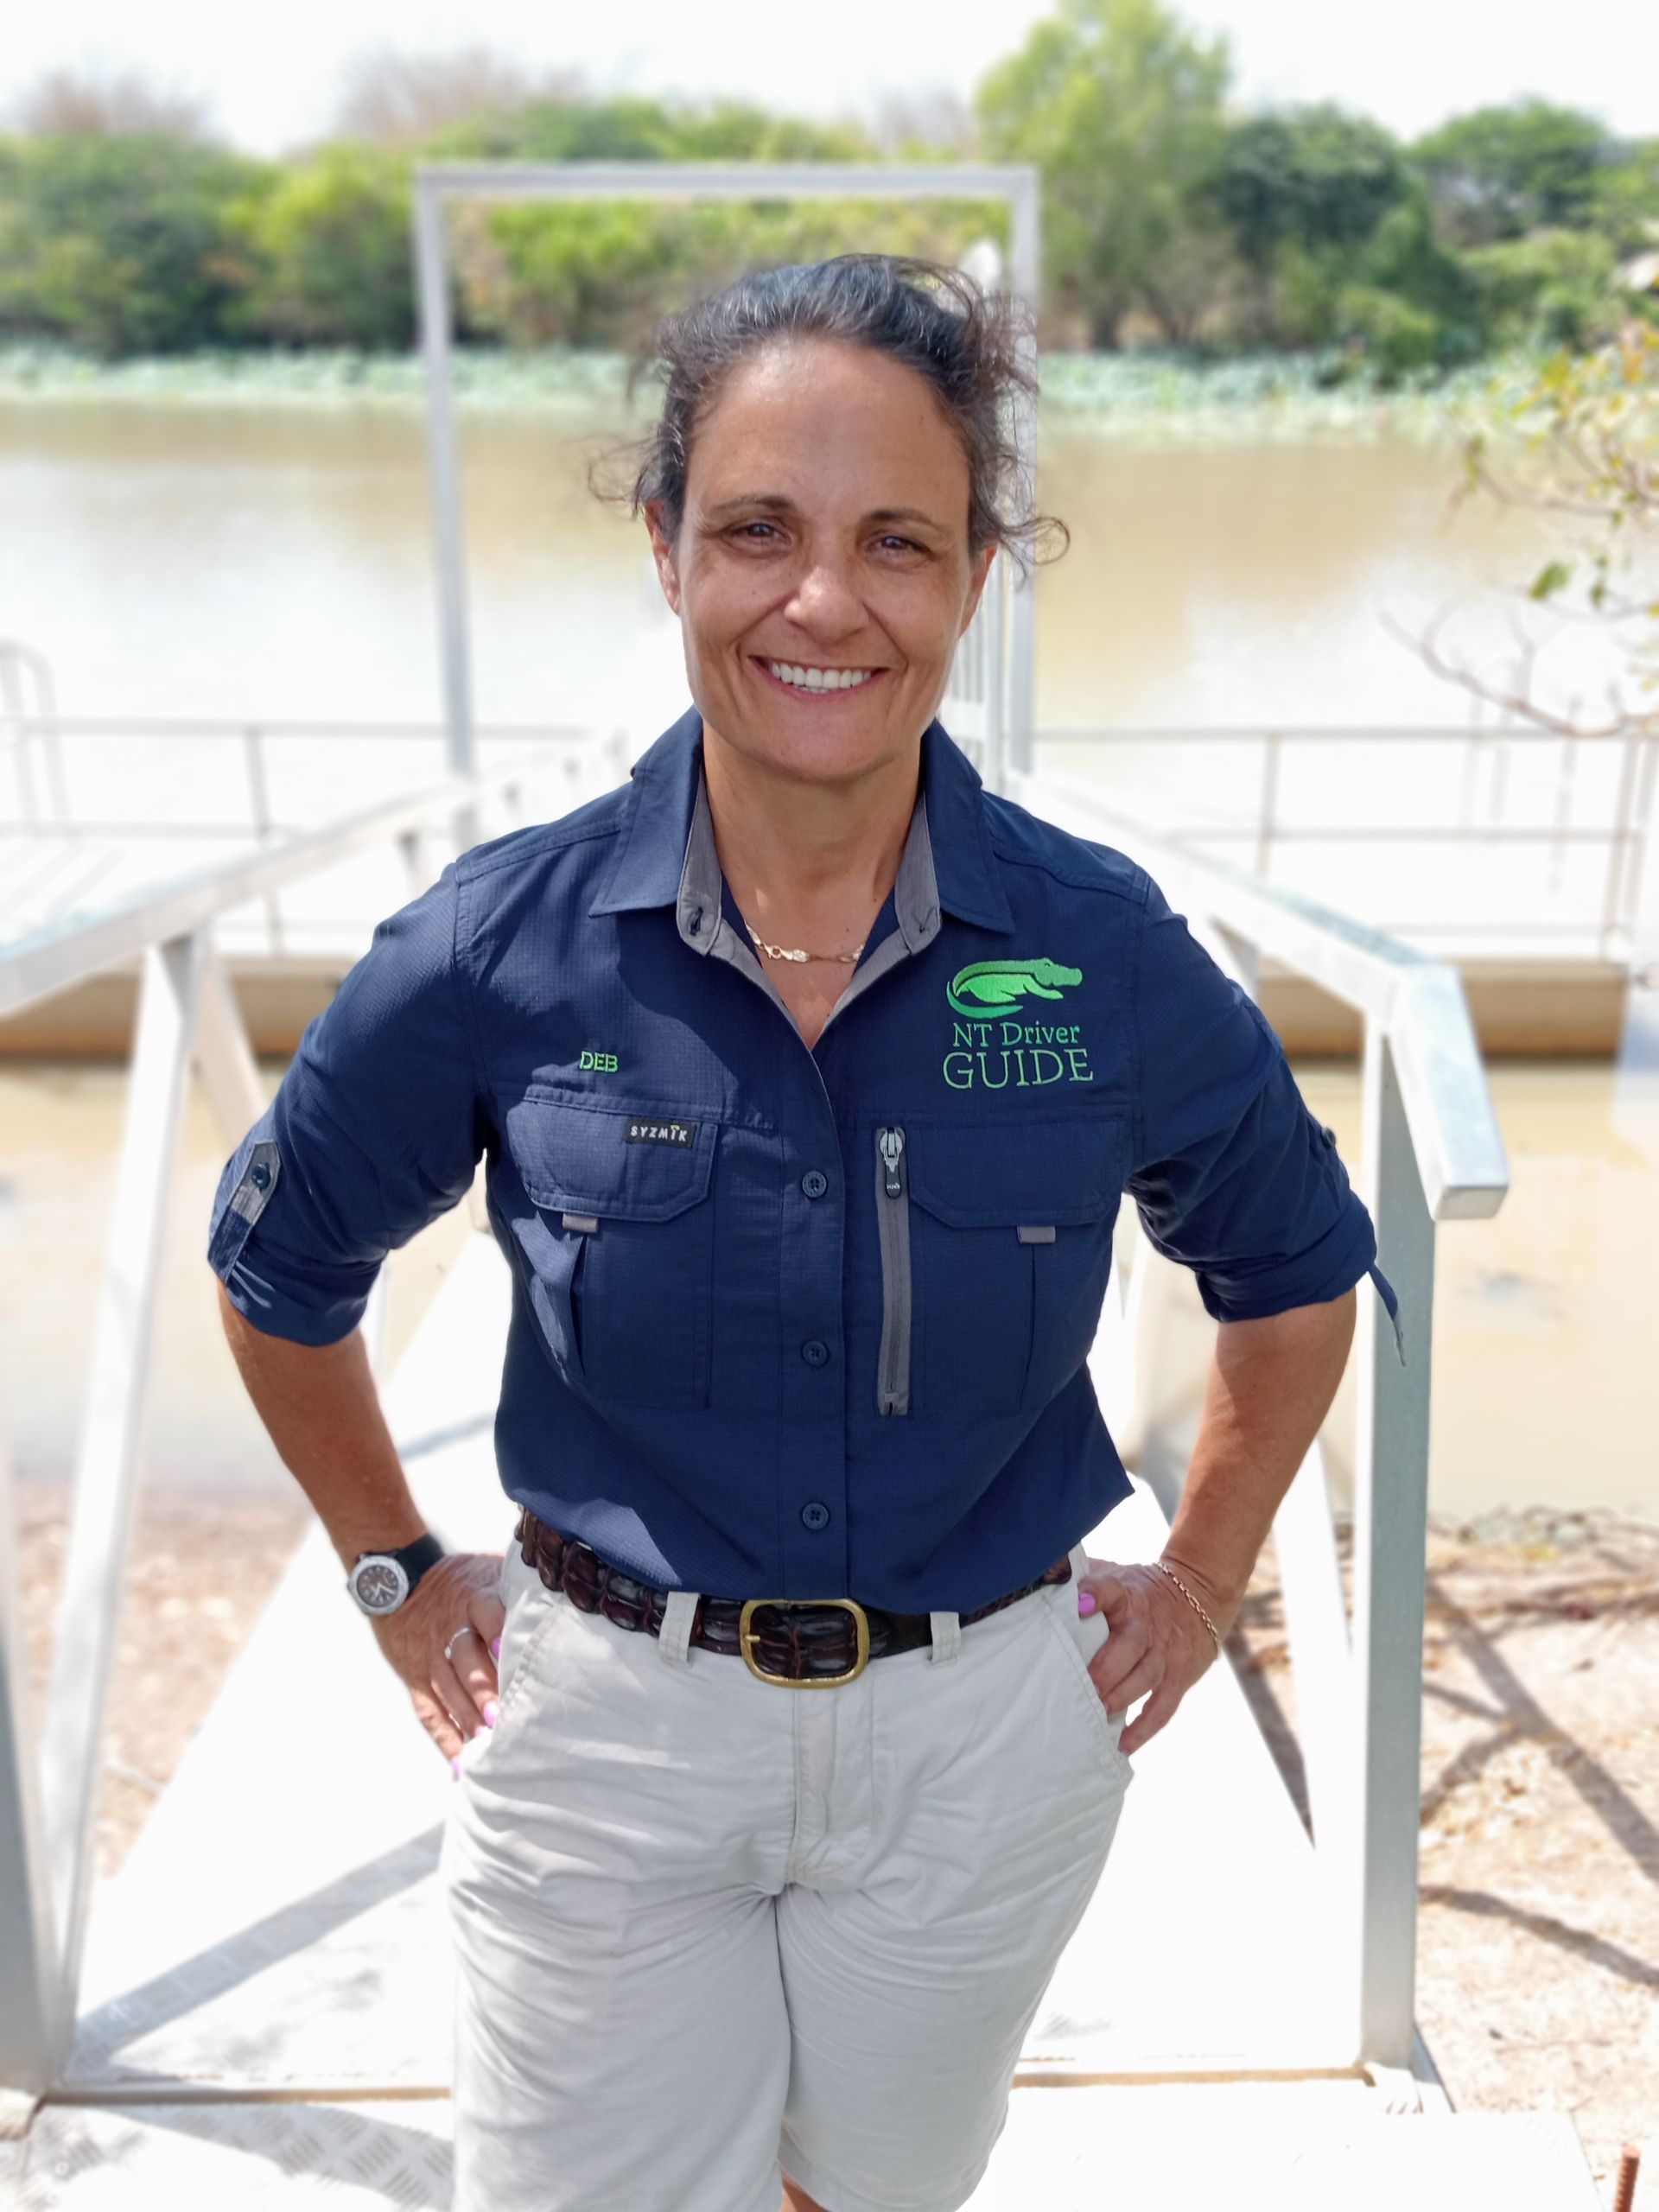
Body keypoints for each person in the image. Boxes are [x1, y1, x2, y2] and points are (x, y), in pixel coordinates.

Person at [209, 255, 1398, 2212]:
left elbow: (1291, 1274)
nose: (825, 601)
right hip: (606, 1732)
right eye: (758, 528)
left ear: (977, 577)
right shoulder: (494, 947)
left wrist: (1198, 1579)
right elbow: (280, 1275)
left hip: (983, 1748)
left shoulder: (1096, 952)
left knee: (873, 2188)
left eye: (898, 542)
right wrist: (395, 1575)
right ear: (666, 545)